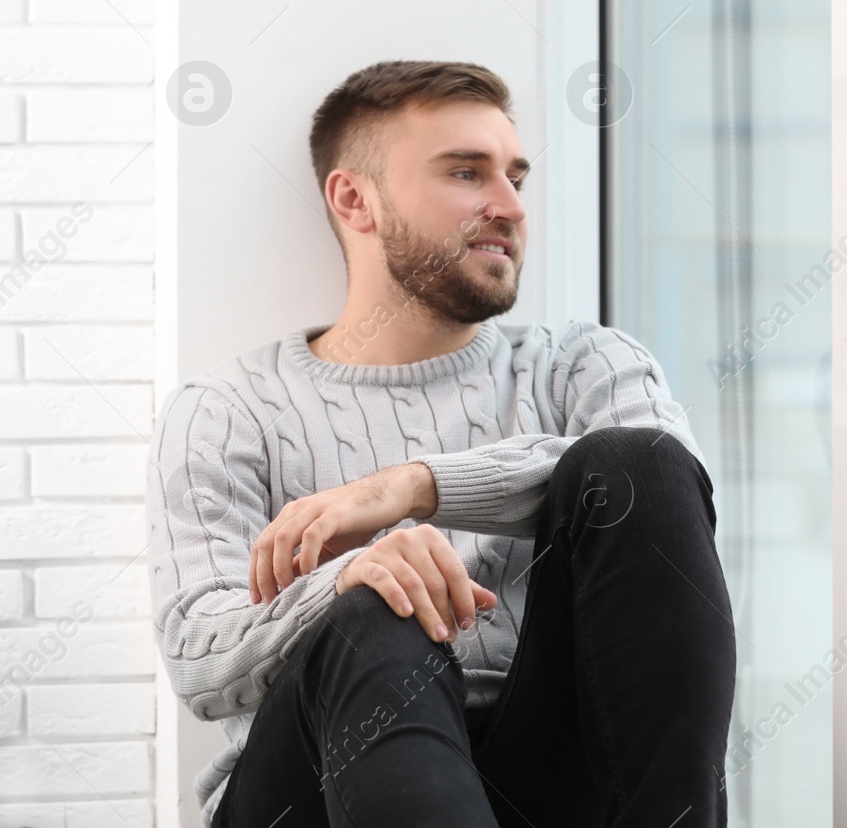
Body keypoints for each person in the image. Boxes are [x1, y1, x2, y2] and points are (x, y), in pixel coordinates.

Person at [144, 61, 736, 827]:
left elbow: (669, 492)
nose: (509, 205)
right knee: (373, 611)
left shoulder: (583, 364)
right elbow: (199, 658)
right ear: (355, 198)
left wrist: (415, 485)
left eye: (516, 177)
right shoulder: (226, 409)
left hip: (550, 787)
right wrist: (346, 577)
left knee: (637, 460)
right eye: (466, 172)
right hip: (312, 796)